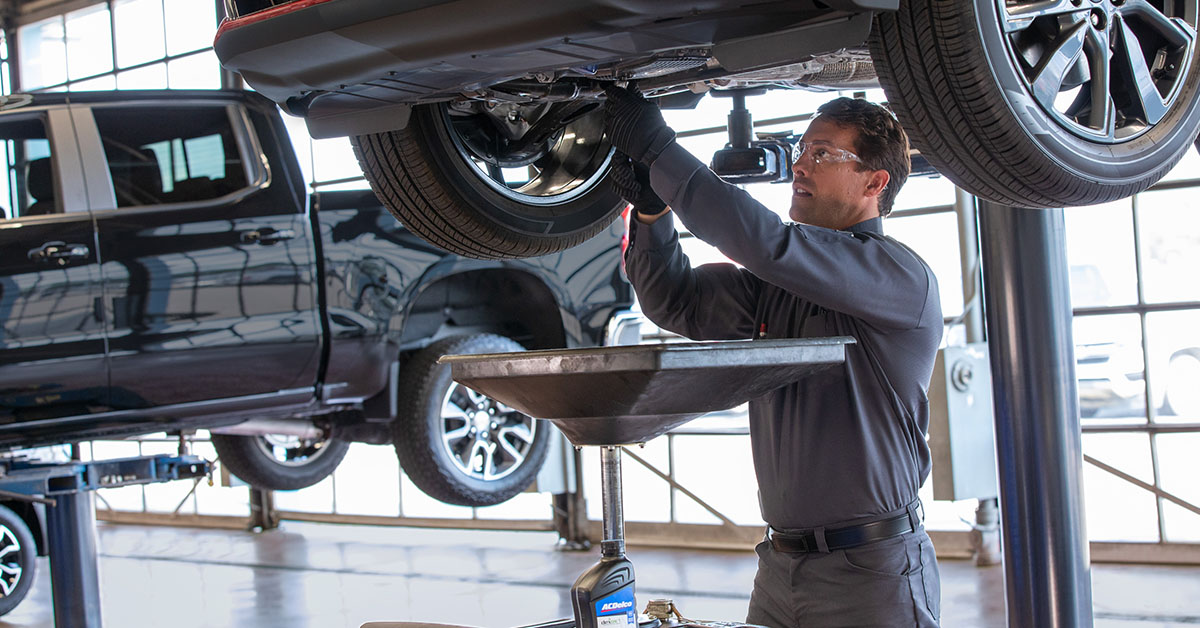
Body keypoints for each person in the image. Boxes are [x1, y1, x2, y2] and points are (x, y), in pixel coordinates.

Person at [604, 84, 943, 627]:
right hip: (780, 567)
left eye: (823, 154)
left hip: (871, 572)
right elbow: (676, 302)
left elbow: (765, 243)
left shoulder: (900, 277)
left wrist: (659, 148)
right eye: (802, 150)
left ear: (874, 182)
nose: (800, 166)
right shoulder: (778, 287)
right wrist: (651, 213)